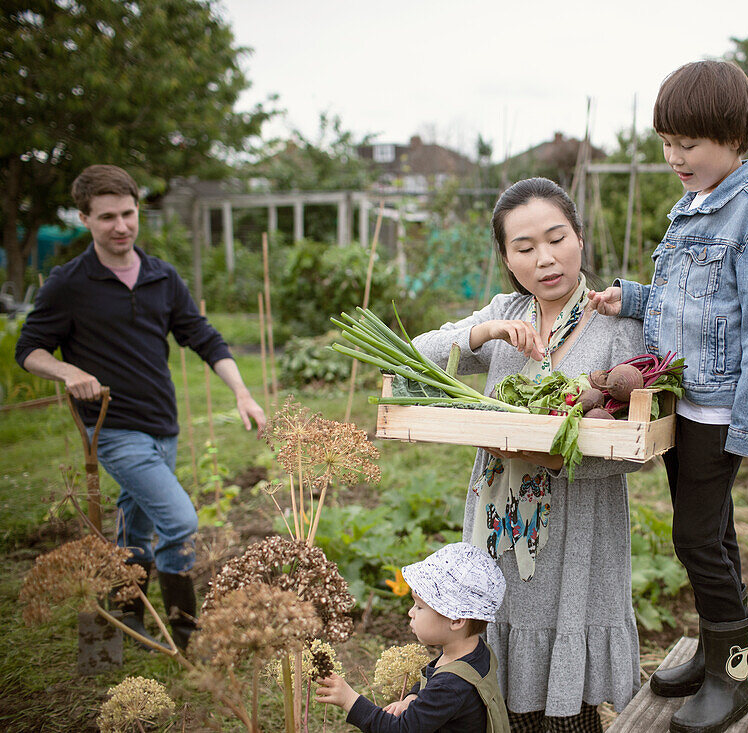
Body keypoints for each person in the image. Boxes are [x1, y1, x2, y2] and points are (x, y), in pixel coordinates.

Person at [589, 59, 748, 733]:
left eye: (689, 144)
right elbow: (689, 305)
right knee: (715, 529)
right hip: (684, 399)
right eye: (667, 143)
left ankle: (730, 677)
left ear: (736, 136)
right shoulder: (690, 208)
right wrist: (634, 297)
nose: (674, 158)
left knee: (695, 535)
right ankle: (715, 654)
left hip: (721, 407)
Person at [411, 178, 644, 732]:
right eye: (524, 248)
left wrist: (556, 454)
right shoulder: (504, 312)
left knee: (565, 697)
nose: (545, 259)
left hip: (575, 527)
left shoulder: (617, 324)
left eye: (556, 238)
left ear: (580, 238)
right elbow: (409, 358)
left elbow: (637, 447)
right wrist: (481, 332)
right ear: (507, 259)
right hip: (496, 521)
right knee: (497, 661)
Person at [15, 164, 266, 651]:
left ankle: (113, 635)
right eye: (106, 216)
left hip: (162, 426)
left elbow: (203, 337)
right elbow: (29, 349)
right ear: (85, 218)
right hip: (111, 428)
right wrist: (70, 373)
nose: (120, 226)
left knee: (137, 523)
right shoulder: (69, 283)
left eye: (128, 213)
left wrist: (242, 391)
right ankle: (186, 631)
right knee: (180, 521)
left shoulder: (160, 276)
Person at [316, 541, 509, 733]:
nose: (411, 612)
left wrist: (349, 699)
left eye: (419, 606)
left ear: (456, 620)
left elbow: (399, 729)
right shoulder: (473, 651)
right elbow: (434, 678)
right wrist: (413, 696)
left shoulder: (451, 687)